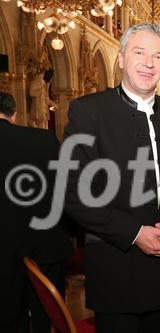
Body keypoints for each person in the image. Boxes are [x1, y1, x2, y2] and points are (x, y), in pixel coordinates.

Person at [63, 23, 160, 333]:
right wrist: (135, 233)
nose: (149, 63)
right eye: (139, 53)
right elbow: (72, 192)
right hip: (116, 272)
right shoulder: (88, 112)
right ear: (122, 59)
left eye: (158, 56)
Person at [0, 92, 72, 333]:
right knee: (47, 317)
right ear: (14, 114)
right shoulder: (44, 140)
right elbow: (65, 190)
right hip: (45, 245)